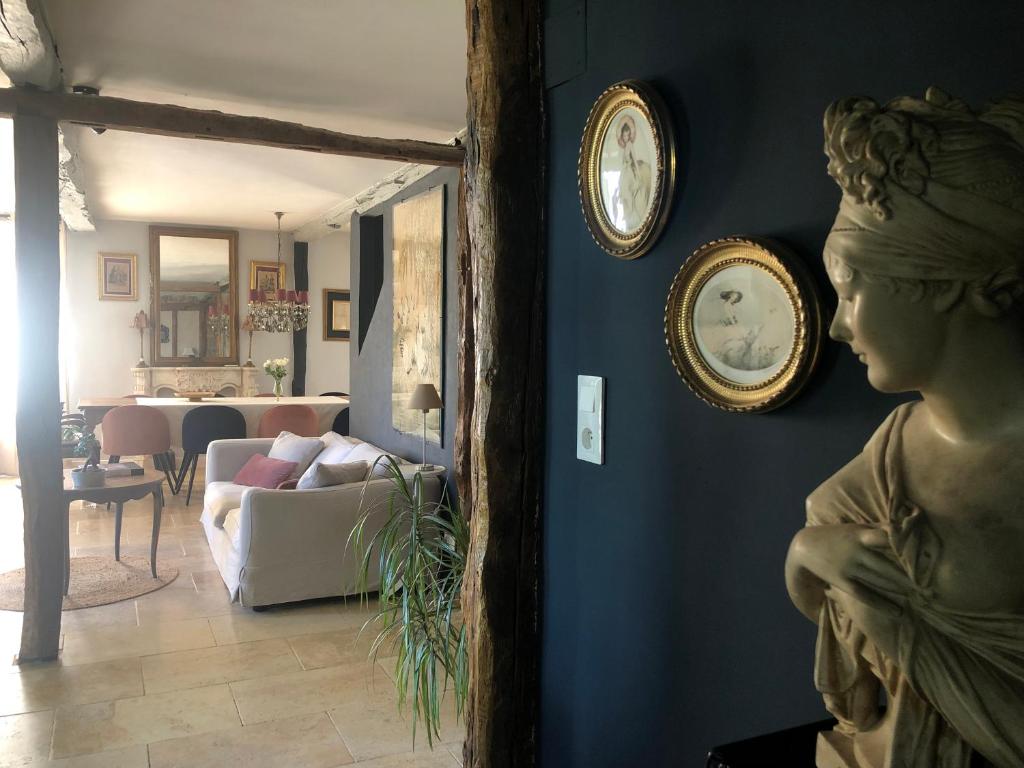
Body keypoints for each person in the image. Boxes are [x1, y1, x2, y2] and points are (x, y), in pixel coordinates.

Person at [785, 88, 1024, 768]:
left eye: (852, 288)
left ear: (943, 281)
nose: (834, 325)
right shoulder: (892, 447)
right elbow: (819, 565)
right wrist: (809, 550)